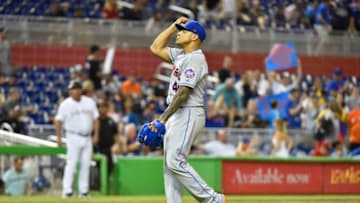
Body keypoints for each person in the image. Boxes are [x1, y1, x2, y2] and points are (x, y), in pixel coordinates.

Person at [149, 17, 225, 202]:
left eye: (183, 30)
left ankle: (212, 199)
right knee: (169, 165)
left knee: (175, 160)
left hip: (188, 111)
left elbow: (183, 93)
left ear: (194, 36)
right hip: (179, 113)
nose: (179, 32)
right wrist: (172, 26)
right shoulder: (182, 55)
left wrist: (162, 118)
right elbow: (155, 48)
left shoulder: (195, 59)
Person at [55, 81, 99, 198]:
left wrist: (96, 135)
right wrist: (59, 137)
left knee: (86, 164)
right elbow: (58, 121)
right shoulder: (65, 104)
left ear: (81, 90)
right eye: (73, 89)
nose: (75, 91)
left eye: (77, 88)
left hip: (87, 136)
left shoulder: (89, 102)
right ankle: (67, 191)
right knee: (71, 163)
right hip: (73, 136)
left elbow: (96, 119)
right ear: (70, 91)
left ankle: (83, 191)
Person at [95, 100, 118, 175]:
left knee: (109, 168)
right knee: (97, 169)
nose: (103, 109)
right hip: (97, 149)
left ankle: (106, 185)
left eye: (105, 107)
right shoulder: (95, 121)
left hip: (109, 149)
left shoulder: (111, 121)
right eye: (101, 107)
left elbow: (116, 135)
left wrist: (116, 145)